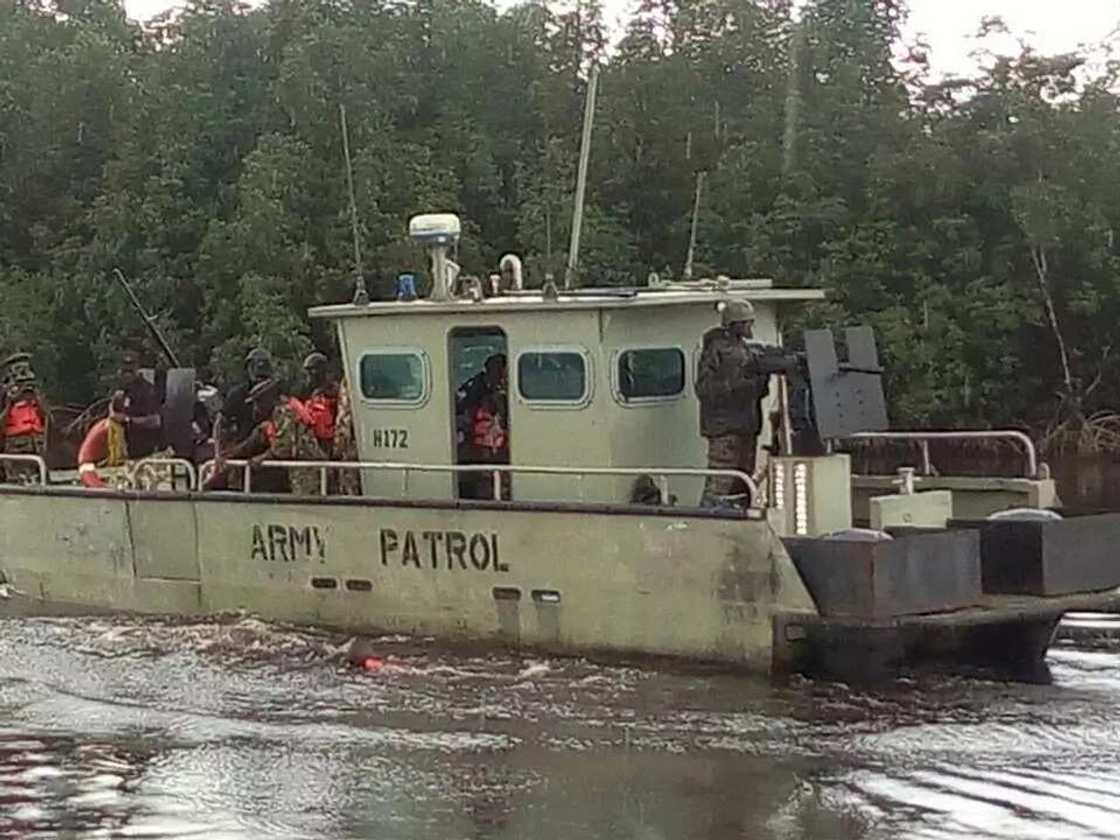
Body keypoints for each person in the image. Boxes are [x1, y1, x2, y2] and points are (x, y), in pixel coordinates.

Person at [695, 300, 770, 507]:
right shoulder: (716, 350)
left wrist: (759, 381)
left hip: (746, 427)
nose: (749, 327)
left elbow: (757, 392)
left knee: (743, 485)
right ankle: (705, 523)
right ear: (734, 324)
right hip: (725, 430)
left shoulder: (746, 350)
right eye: (746, 323)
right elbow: (705, 389)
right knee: (720, 484)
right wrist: (741, 385)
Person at [212, 379, 323, 495]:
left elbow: (285, 448)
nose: (256, 408)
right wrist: (229, 455)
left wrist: (262, 458)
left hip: (307, 473)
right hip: (295, 474)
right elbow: (253, 442)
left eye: (258, 402)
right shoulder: (270, 423)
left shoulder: (285, 412)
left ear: (269, 399)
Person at [457, 354, 509, 500]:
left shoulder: (501, 390)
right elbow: (464, 409)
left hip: (494, 441)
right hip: (479, 440)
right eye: (500, 372)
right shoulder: (475, 387)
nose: (502, 377)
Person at [0, 352, 48, 484]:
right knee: (17, 483)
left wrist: (37, 399)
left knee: (39, 481)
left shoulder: (35, 391)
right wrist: (10, 403)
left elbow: (48, 419)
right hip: (16, 448)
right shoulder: (4, 394)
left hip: (36, 446)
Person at [118, 349, 162, 458]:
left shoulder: (147, 390)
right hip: (125, 452)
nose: (127, 373)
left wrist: (128, 420)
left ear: (138, 368)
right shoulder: (123, 392)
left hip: (145, 453)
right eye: (125, 369)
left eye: (130, 369)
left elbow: (155, 421)